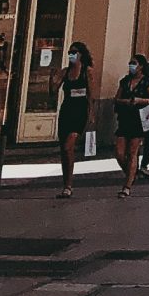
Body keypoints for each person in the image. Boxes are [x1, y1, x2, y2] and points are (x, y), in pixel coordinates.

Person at [57, 42, 93, 195]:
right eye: (69, 52)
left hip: (80, 112)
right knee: (64, 150)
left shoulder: (87, 72)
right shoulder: (65, 72)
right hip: (66, 111)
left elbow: (90, 95)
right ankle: (67, 183)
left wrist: (91, 114)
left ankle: (69, 185)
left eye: (74, 52)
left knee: (68, 146)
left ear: (81, 54)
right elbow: (53, 91)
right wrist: (53, 79)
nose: (71, 55)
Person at [113, 54, 149, 196]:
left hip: (139, 120)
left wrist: (140, 100)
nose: (131, 66)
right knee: (119, 153)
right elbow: (117, 98)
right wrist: (125, 101)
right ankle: (131, 173)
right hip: (124, 119)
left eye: (133, 63)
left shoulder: (148, 82)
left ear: (140, 66)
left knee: (132, 152)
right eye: (130, 63)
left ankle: (127, 186)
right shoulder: (125, 81)